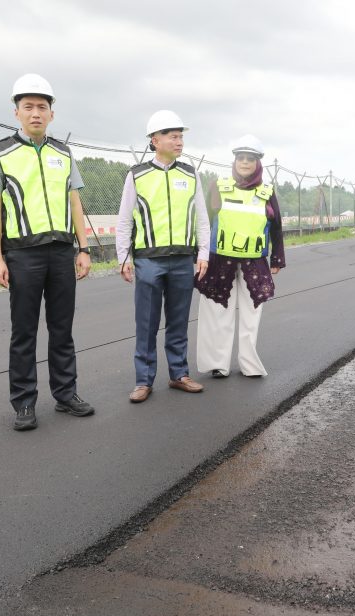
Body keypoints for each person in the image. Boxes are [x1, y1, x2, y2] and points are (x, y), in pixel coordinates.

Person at [0, 74, 95, 431]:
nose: (35, 113)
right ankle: (24, 402)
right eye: (28, 107)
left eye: (42, 107)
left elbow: (75, 201)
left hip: (62, 253)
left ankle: (66, 394)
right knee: (24, 331)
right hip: (22, 254)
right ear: (16, 112)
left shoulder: (63, 152)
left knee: (62, 328)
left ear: (51, 114)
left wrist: (83, 248)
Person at [117, 110, 211, 403]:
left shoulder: (189, 173)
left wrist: (203, 253)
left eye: (181, 136)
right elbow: (124, 221)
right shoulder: (137, 175)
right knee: (146, 322)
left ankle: (179, 374)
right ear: (154, 140)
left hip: (184, 259)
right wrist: (124, 257)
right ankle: (143, 381)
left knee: (179, 319)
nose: (179, 140)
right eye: (173, 136)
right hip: (149, 260)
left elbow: (202, 219)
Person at [195, 135, 286, 378]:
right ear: (234, 161)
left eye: (250, 158)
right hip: (218, 260)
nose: (245, 162)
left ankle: (249, 364)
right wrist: (200, 254)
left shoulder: (267, 192)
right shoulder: (218, 186)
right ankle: (219, 364)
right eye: (240, 158)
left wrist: (277, 258)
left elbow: (276, 226)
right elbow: (205, 222)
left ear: (258, 163)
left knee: (251, 313)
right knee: (219, 311)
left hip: (253, 262)